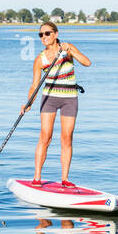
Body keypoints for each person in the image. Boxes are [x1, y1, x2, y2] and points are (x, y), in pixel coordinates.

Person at [22, 22, 90, 185]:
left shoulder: (67, 49)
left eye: (47, 33)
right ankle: (37, 178)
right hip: (49, 99)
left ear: (56, 34)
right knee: (45, 137)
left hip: (69, 98)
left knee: (66, 138)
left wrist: (70, 50)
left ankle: (65, 179)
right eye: (41, 35)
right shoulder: (40, 59)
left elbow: (87, 62)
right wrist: (28, 103)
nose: (43, 37)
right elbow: (34, 85)